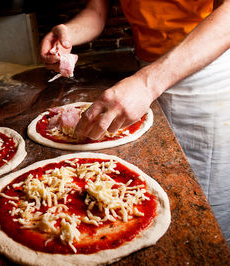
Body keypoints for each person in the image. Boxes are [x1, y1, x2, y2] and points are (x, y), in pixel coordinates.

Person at [40, 0, 230, 243]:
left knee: (208, 204)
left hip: (205, 78)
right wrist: (68, 33)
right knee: (153, 202)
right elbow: (97, 10)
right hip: (143, 77)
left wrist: (147, 83)